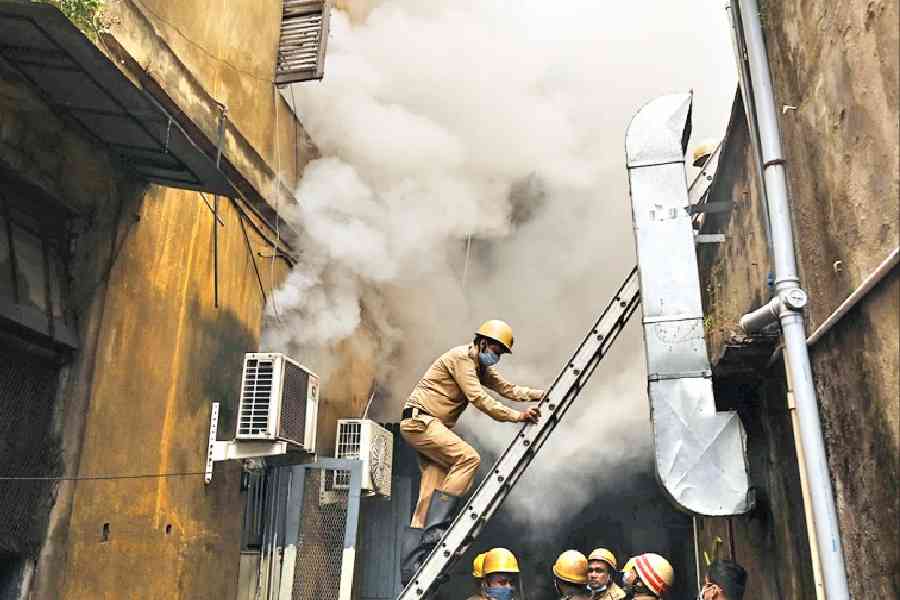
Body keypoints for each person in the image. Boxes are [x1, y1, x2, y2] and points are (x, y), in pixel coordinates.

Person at [399, 320, 544, 583]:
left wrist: (539, 395)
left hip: (429, 426)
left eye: (500, 353)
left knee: (426, 500)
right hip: (421, 421)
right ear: (481, 343)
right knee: (468, 458)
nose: (496, 356)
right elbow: (479, 398)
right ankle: (435, 533)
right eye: (495, 350)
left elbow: (507, 389)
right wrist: (517, 416)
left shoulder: (480, 367)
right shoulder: (461, 359)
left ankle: (411, 567)